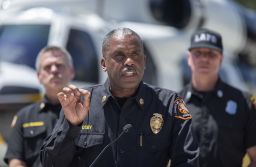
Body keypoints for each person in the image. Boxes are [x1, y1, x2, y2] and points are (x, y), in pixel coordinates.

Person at [40, 28, 199, 167]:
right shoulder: (80, 103)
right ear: (104, 64)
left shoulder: (169, 104)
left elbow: (188, 161)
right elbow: (50, 163)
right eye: (119, 56)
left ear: (144, 61)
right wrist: (72, 126)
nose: (129, 61)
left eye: (135, 54)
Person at [179, 28, 256, 167]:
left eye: (211, 54)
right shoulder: (174, 103)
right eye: (198, 53)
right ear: (189, 58)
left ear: (221, 59)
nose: (204, 59)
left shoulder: (243, 103)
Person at [4, 46, 75, 167]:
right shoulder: (24, 116)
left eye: (59, 65)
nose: (54, 70)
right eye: (47, 67)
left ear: (71, 72)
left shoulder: (88, 112)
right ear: (39, 76)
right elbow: (15, 161)